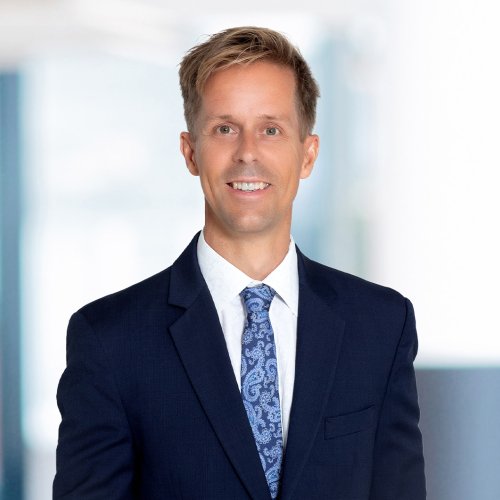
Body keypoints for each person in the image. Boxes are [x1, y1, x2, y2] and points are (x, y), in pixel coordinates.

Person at [53, 26, 425, 499]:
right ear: (191, 151)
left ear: (308, 154)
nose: (247, 152)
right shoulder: (110, 340)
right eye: (225, 129)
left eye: (271, 129)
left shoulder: (381, 326)